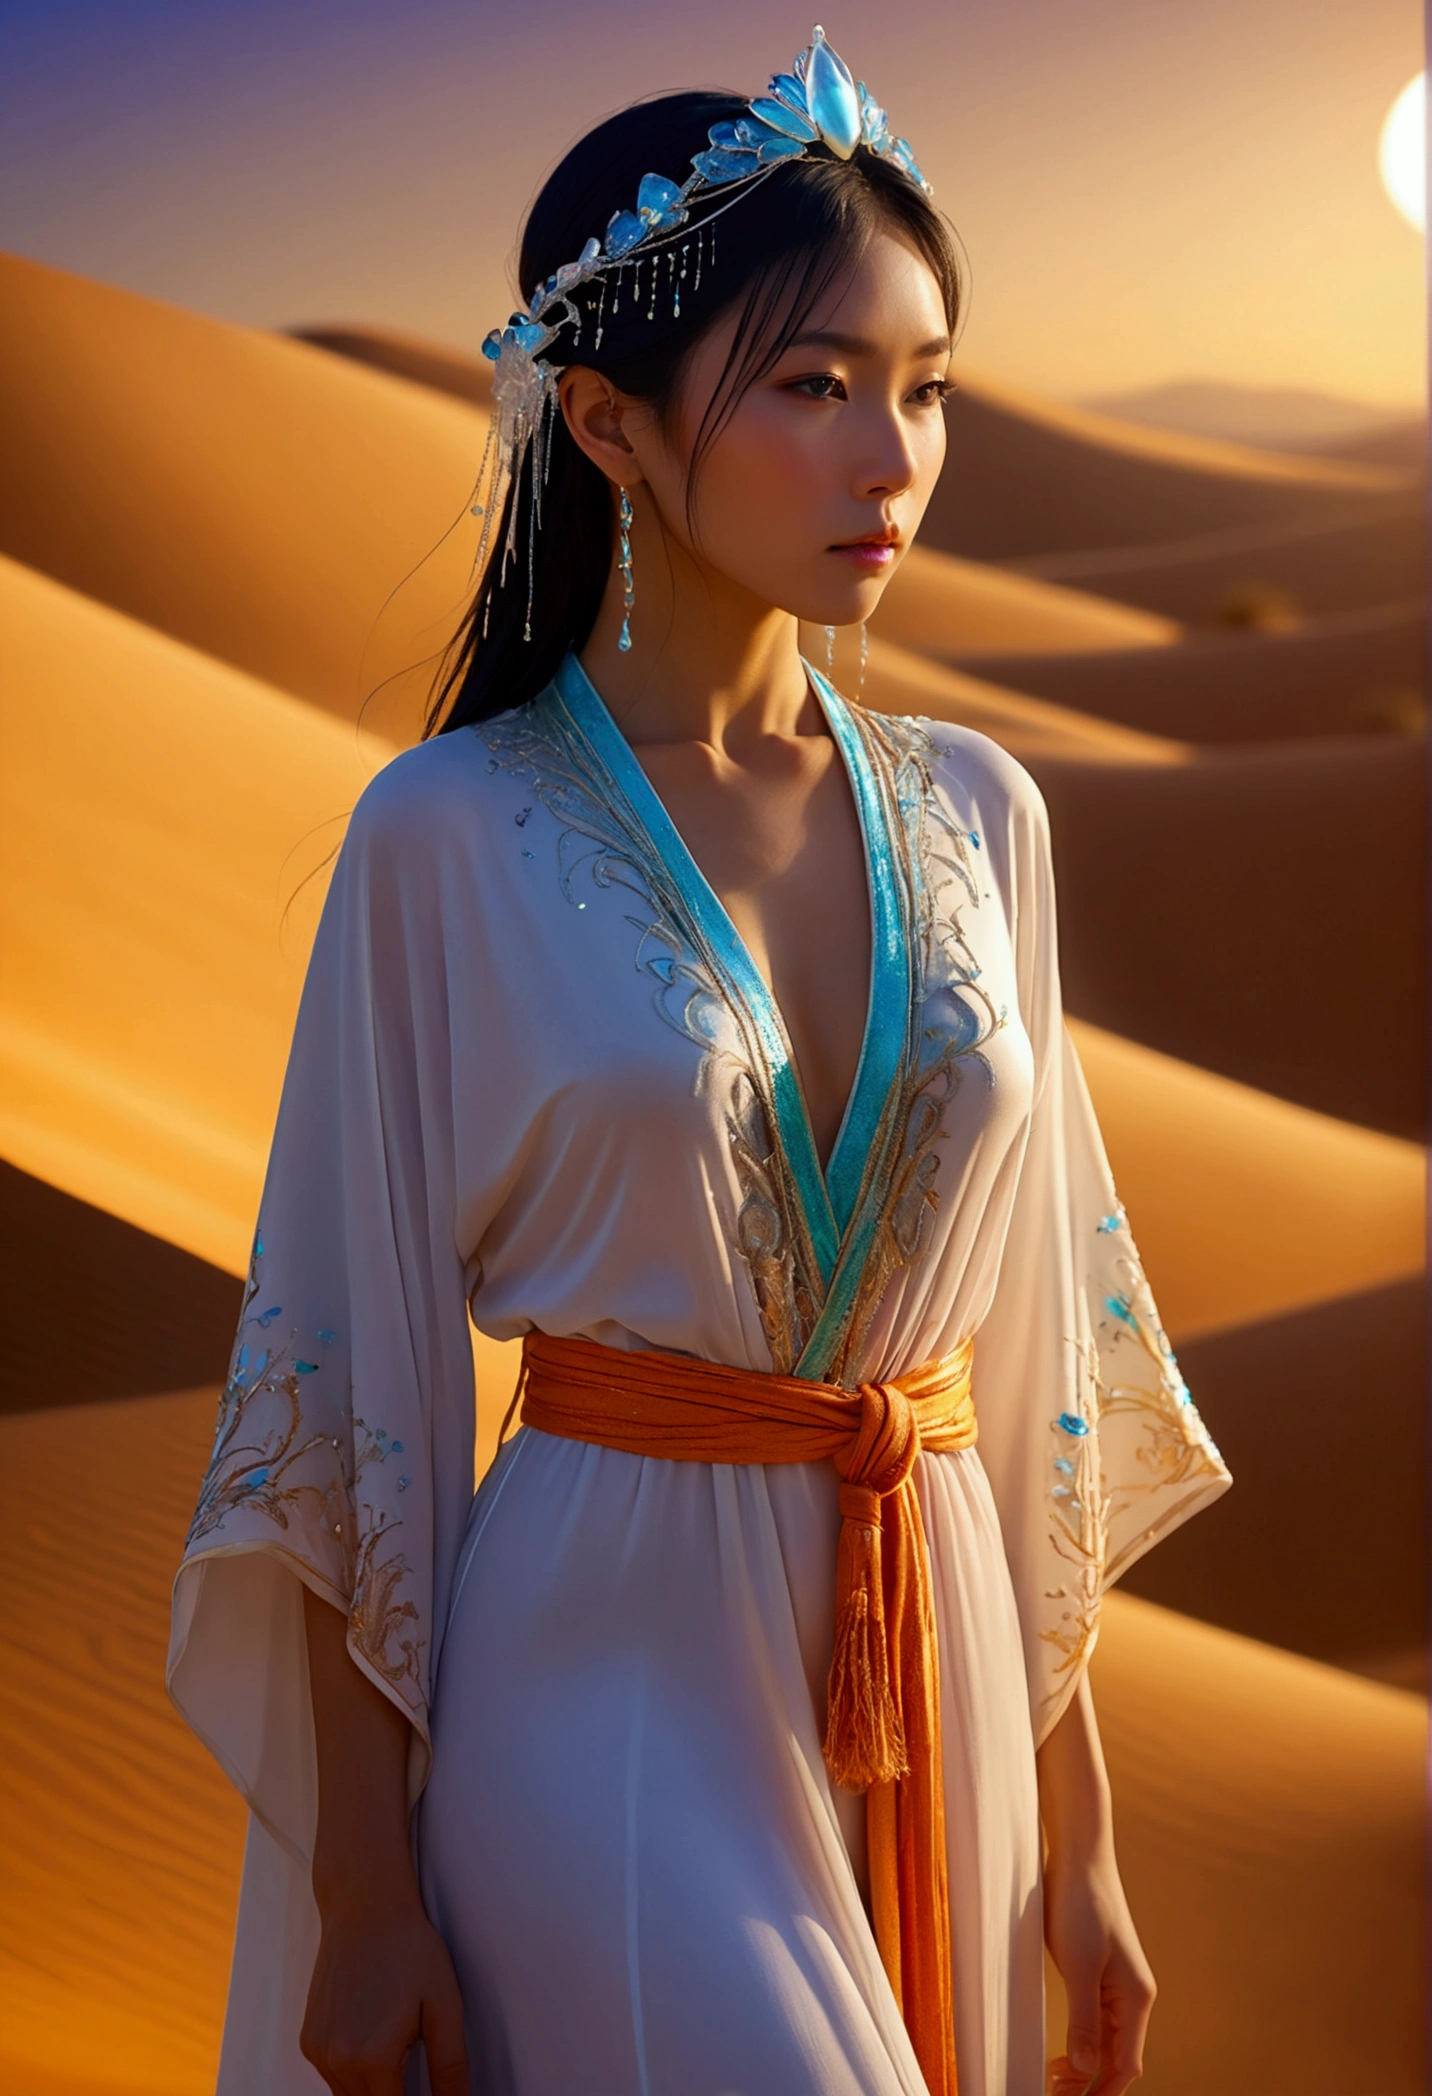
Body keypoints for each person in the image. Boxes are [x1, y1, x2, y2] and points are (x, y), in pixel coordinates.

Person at [168, 31, 1231, 2096]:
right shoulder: (446, 835)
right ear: (608, 425)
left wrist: (1081, 1847)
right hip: (603, 1681)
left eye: (924, 386)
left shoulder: (977, 809)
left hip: (935, 1678)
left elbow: (1027, 1379)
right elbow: (338, 1390)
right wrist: (362, 1892)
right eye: (813, 385)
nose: (891, 456)